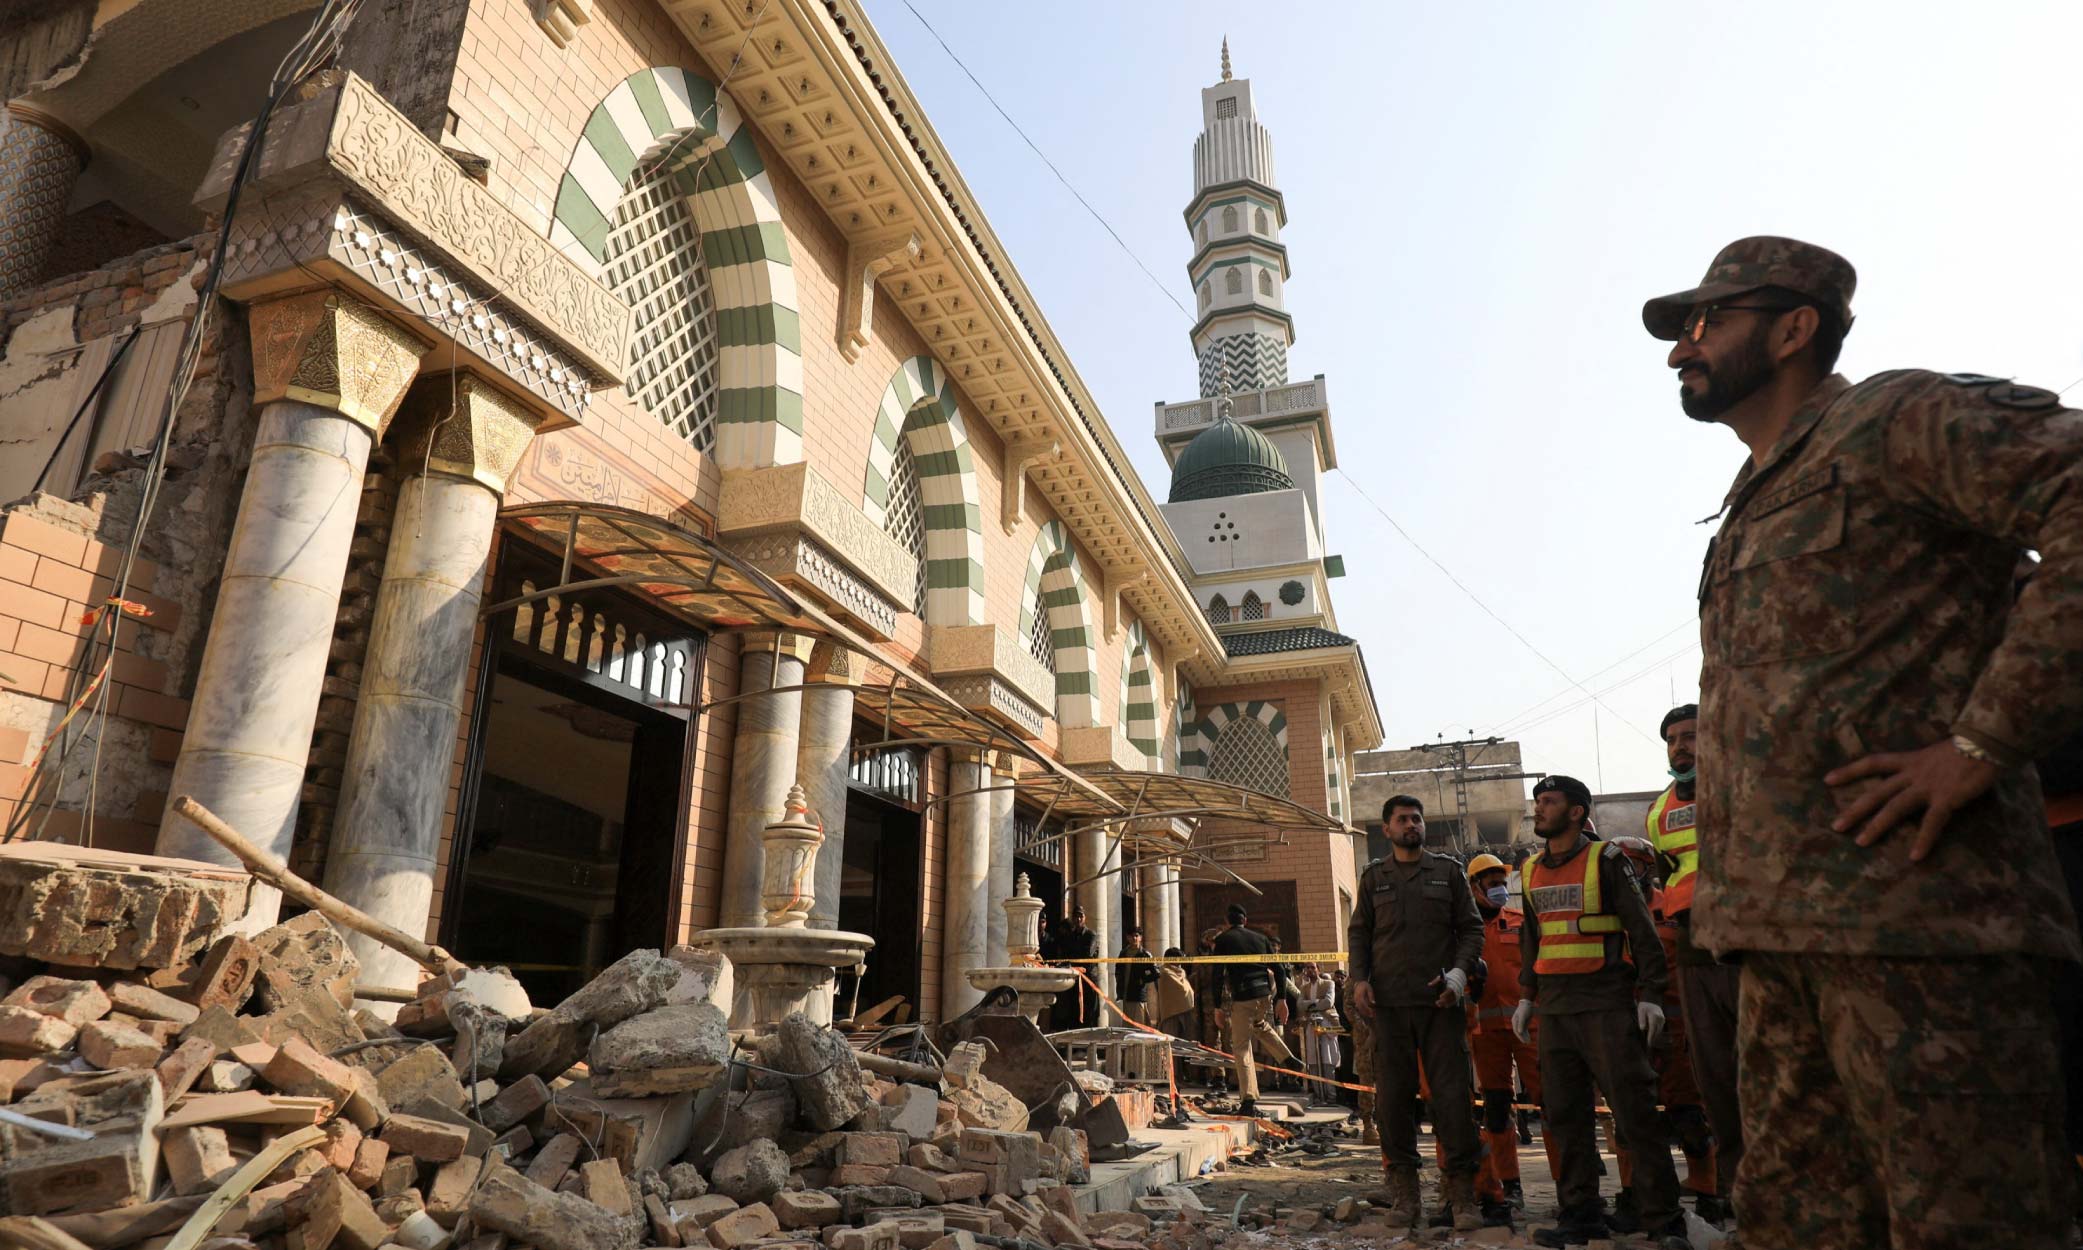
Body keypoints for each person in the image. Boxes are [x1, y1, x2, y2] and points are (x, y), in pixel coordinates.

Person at [1646, 236, 2083, 1249]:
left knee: (1967, 1223)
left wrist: (1980, 741)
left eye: (1707, 321)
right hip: (1776, 940)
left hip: (1922, 930)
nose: (1681, 350)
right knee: (1797, 1226)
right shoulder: (1747, 507)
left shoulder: (1892, 419)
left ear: (1794, 326)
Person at [1511, 775, 1686, 1249]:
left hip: (1607, 1003)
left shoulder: (1607, 860)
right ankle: (1581, 1215)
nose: (1539, 809)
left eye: (1549, 802)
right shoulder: (1528, 871)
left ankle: (1665, 1221)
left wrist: (1650, 993)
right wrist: (1527, 995)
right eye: (1537, 801)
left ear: (1575, 812)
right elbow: (1534, 937)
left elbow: (1641, 929)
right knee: (1565, 1118)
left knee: (1634, 1115)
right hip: (1557, 1009)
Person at [1348, 794, 1487, 1232]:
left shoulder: (1448, 872)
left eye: (1417, 819)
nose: (1412, 825)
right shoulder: (1374, 879)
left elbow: (1471, 929)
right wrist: (1359, 980)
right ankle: (1405, 1195)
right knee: (1392, 1102)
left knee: (1452, 1101)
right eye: (1403, 820)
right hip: (1388, 1009)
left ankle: (1461, 1195)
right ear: (1386, 829)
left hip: (1440, 1007)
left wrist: (1459, 976)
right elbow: (1359, 935)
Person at [1642, 703, 1737, 1224]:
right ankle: (1735, 1192)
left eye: (1690, 735)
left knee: (1759, 1071)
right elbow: (1668, 875)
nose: (1681, 746)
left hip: (1748, 941)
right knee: (1716, 1079)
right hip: (1693, 947)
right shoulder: (1658, 812)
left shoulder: (1743, 783)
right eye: (1673, 739)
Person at [1604, 837, 1722, 1229]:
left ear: (1646, 868)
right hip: (1626, 1026)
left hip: (1676, 1027)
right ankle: (1632, 1195)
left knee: (1688, 1112)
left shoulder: (1673, 908)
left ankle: (1708, 1193)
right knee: (1626, 1116)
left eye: (1631, 866)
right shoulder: (1611, 912)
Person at [1467, 850, 1554, 1209]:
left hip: (1529, 1027)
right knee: (1498, 1107)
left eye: (1502, 882)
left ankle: (1568, 1183)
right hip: (1486, 1033)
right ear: (1474, 887)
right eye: (1492, 883)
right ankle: (1510, 1186)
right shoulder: (1465, 933)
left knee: (1550, 1102)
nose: (1499, 888)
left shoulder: (1520, 922)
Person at [1212, 903, 1293, 1115]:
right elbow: (1280, 969)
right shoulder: (1261, 939)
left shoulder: (1223, 940)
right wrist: (1281, 999)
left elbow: (1217, 975)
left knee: (1241, 1047)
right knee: (1259, 1024)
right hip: (1265, 995)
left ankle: (1248, 1100)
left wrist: (1216, 1006)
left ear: (1227, 921)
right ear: (1245, 920)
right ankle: (1286, 1056)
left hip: (1243, 996)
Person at [1051, 905, 1100, 1029]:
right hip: (1074, 979)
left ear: (1085, 918)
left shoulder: (1091, 935)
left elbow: (1087, 955)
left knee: (1089, 1013)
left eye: (1080, 916)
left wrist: (1072, 962)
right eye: (1076, 916)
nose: (1078, 919)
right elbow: (1066, 955)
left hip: (1088, 980)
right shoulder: (1069, 936)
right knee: (1074, 1012)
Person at [1298, 963, 1341, 1092]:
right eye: (1308, 968)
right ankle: (1318, 1093)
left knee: (1328, 1059)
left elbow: (1328, 1002)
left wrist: (1310, 1004)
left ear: (1318, 969)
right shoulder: (1304, 987)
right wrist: (1317, 1002)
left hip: (1327, 1022)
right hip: (1311, 1024)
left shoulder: (1329, 984)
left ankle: (1331, 1095)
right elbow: (1300, 1005)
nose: (1310, 970)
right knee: (1312, 1059)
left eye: (1313, 967)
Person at [1115, 926, 1158, 1025]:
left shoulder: (1145, 954)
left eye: (1136, 936)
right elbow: (1118, 970)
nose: (1134, 938)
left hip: (1138, 995)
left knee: (1139, 1027)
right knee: (1127, 1026)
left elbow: (1156, 973)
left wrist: (1143, 980)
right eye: (1131, 936)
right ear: (1127, 937)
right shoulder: (1123, 953)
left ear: (1140, 938)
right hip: (1126, 995)